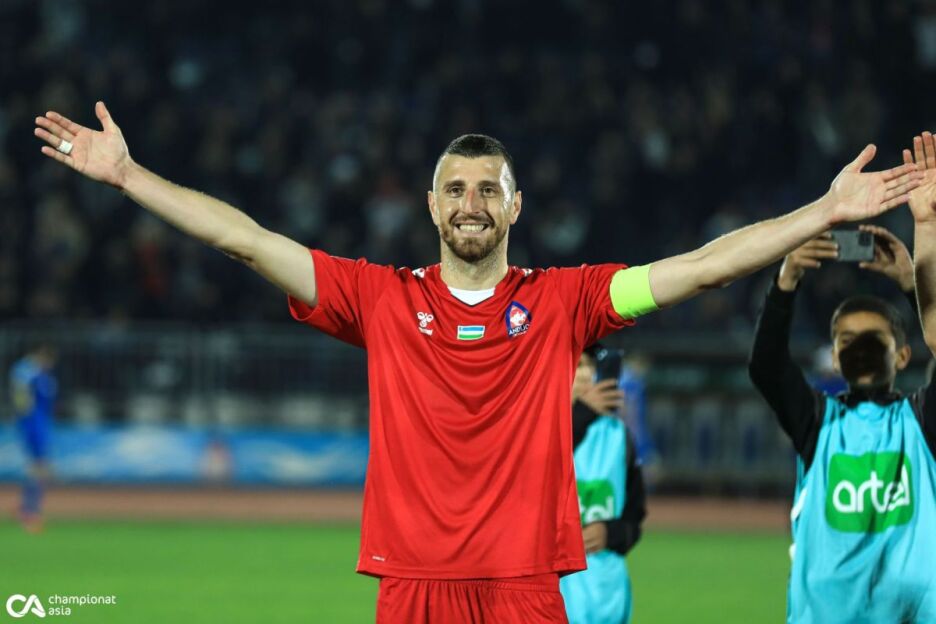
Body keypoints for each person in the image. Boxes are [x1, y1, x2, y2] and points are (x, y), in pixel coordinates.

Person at [32, 101, 921, 622]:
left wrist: (819, 212)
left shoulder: (566, 301)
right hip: (412, 587)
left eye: (488, 188)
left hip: (526, 589)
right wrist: (130, 177)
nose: (471, 202)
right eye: (456, 189)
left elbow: (700, 267)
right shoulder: (381, 299)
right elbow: (248, 240)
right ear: (430, 205)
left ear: (515, 206)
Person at [748, 129, 936, 622]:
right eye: (847, 340)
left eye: (873, 338)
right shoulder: (817, 422)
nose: (860, 346)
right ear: (833, 358)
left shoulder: (922, 424)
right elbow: (766, 366)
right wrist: (786, 280)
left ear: (903, 356)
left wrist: (920, 256)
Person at [561, 344, 646, 624]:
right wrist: (581, 414)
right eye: (577, 366)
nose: (586, 375)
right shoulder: (536, 431)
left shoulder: (619, 436)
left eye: (591, 366)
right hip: (554, 595)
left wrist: (611, 533)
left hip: (607, 596)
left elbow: (635, 517)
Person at [9, 343, 58, 533]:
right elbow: (20, 393)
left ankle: (28, 507)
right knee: (39, 466)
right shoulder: (26, 370)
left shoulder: (41, 374)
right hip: (33, 422)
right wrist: (25, 415)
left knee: (40, 466)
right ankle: (30, 510)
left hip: (41, 422)